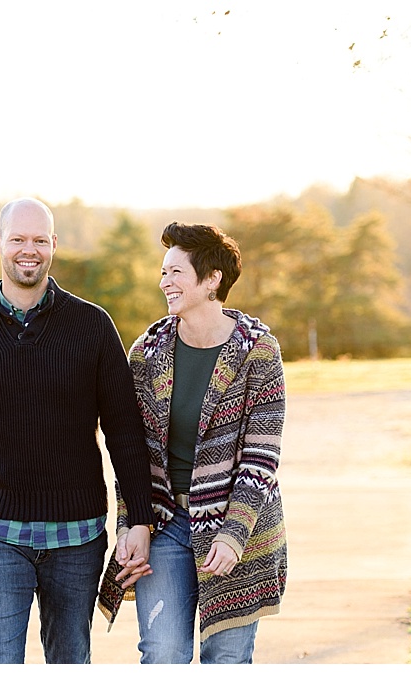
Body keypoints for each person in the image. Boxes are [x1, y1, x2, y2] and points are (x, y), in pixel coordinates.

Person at [0, 197, 155, 664]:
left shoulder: (92, 325)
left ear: (54, 245)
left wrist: (142, 520)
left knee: (70, 660)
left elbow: (124, 431)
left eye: (39, 240)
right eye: (17, 239)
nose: (28, 250)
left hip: (77, 535)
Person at [98, 222, 289, 664]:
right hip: (165, 523)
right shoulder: (149, 351)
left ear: (211, 280)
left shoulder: (257, 351)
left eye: (176, 272)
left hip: (238, 529)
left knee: (227, 657)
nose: (164, 282)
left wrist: (234, 535)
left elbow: (260, 460)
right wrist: (132, 525)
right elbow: (132, 451)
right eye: (162, 272)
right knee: (163, 651)